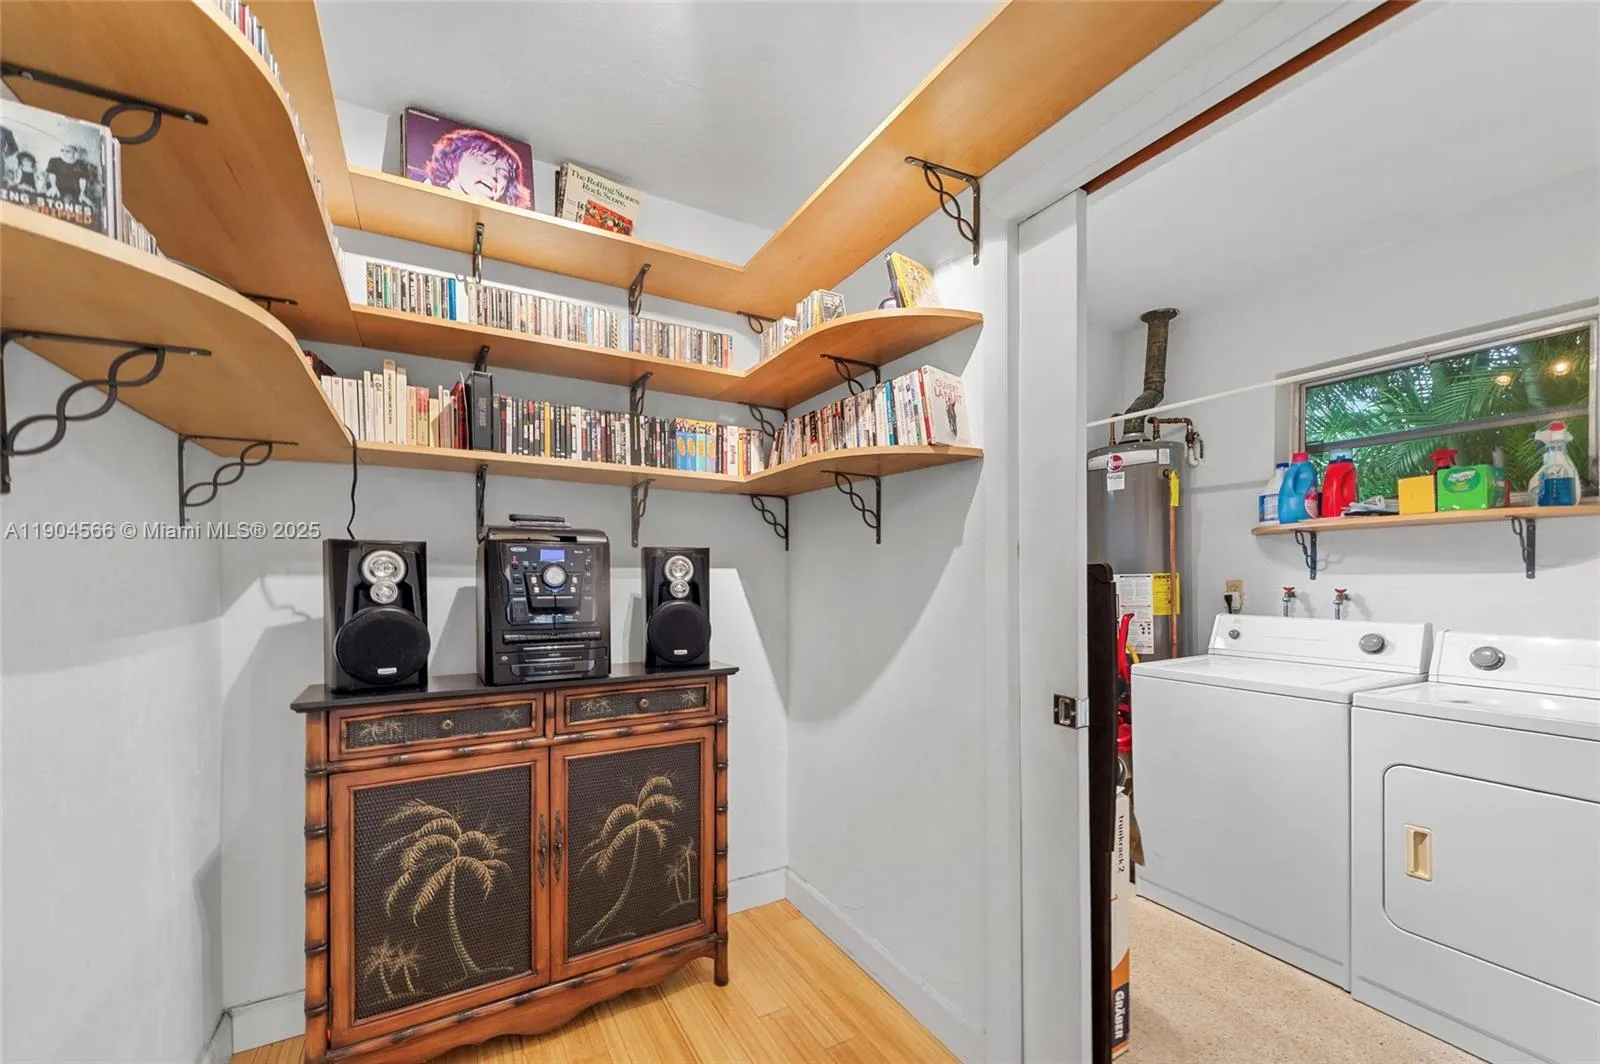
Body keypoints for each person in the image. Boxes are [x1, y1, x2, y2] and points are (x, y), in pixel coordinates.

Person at [422, 127, 532, 209]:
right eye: (483, 161)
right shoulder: (422, 200)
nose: (493, 174)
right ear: (453, 160)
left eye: (503, 173)